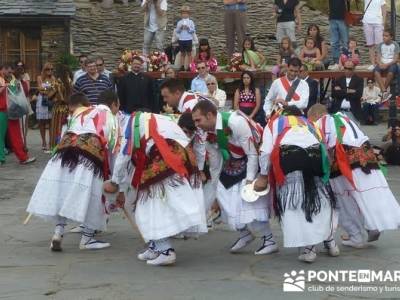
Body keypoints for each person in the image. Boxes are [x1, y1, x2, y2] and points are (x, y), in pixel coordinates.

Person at [104, 111, 207, 266]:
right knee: (154, 206)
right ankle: (155, 247)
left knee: (150, 208)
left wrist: (114, 182)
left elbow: (124, 155)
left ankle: (165, 250)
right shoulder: (161, 119)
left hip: (165, 159)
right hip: (181, 159)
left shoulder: (132, 124)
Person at [27, 92, 120, 252]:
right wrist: (114, 176)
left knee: (63, 192)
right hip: (89, 157)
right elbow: (113, 148)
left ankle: (58, 233)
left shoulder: (81, 112)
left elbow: (66, 131)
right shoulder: (111, 117)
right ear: (114, 105)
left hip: (64, 153)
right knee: (94, 196)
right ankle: (87, 239)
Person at [192, 100, 277, 256]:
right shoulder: (205, 133)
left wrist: (250, 182)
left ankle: (269, 240)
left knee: (248, 201)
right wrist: (216, 185)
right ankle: (244, 233)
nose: (197, 125)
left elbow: (252, 153)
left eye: (199, 120)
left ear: (210, 115)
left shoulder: (235, 122)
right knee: (222, 193)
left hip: (254, 157)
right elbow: (215, 162)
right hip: (235, 160)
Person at [308, 104, 400, 249]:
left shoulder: (323, 121)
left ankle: (356, 236)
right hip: (368, 161)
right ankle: (373, 226)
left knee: (345, 200)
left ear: (315, 115)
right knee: (369, 195)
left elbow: (324, 146)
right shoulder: (346, 118)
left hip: (345, 164)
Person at [254, 106, 338, 263]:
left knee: (298, 205)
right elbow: (324, 148)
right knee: (319, 201)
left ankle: (309, 248)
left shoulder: (274, 123)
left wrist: (263, 175)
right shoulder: (311, 124)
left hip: (291, 159)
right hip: (315, 158)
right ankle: (330, 241)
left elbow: (265, 151)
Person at [49, 64, 72, 148]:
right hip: (68, 108)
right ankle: (66, 145)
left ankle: (56, 146)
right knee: (67, 127)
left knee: (57, 128)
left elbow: (50, 95)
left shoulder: (56, 82)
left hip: (58, 109)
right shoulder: (70, 81)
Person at [37, 62, 57, 152]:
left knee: (51, 122)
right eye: (48, 69)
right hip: (42, 100)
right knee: (42, 122)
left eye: (52, 69)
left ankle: (51, 142)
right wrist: (48, 89)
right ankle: (44, 142)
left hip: (50, 100)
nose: (50, 71)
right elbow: (40, 90)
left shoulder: (53, 78)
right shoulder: (39, 77)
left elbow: (55, 89)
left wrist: (46, 90)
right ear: (44, 70)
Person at [374, 29, 399, 100]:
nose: (384, 37)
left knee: (391, 73)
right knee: (376, 72)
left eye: (386, 36)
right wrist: (380, 64)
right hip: (382, 63)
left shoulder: (395, 45)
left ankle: (382, 91)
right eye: (383, 36)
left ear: (391, 37)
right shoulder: (380, 45)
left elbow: (395, 59)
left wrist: (387, 65)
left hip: (391, 63)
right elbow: (378, 58)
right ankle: (385, 91)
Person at [362, 0, 387, 69]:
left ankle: (379, 63)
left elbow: (384, 9)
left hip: (378, 22)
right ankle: (373, 64)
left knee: (379, 45)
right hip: (367, 21)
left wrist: (383, 22)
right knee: (370, 45)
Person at [328, 0, 348, 67]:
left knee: (345, 42)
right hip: (332, 18)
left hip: (343, 18)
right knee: (334, 43)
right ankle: (336, 62)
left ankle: (346, 61)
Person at [176, 5, 196, 71]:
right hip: (181, 39)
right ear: (181, 14)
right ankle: (182, 66)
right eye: (183, 13)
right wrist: (180, 28)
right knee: (182, 53)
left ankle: (189, 66)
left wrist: (188, 28)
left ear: (189, 14)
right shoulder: (179, 22)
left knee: (189, 53)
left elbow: (193, 30)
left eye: (186, 13)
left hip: (188, 39)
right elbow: (177, 31)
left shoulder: (191, 22)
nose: (184, 15)